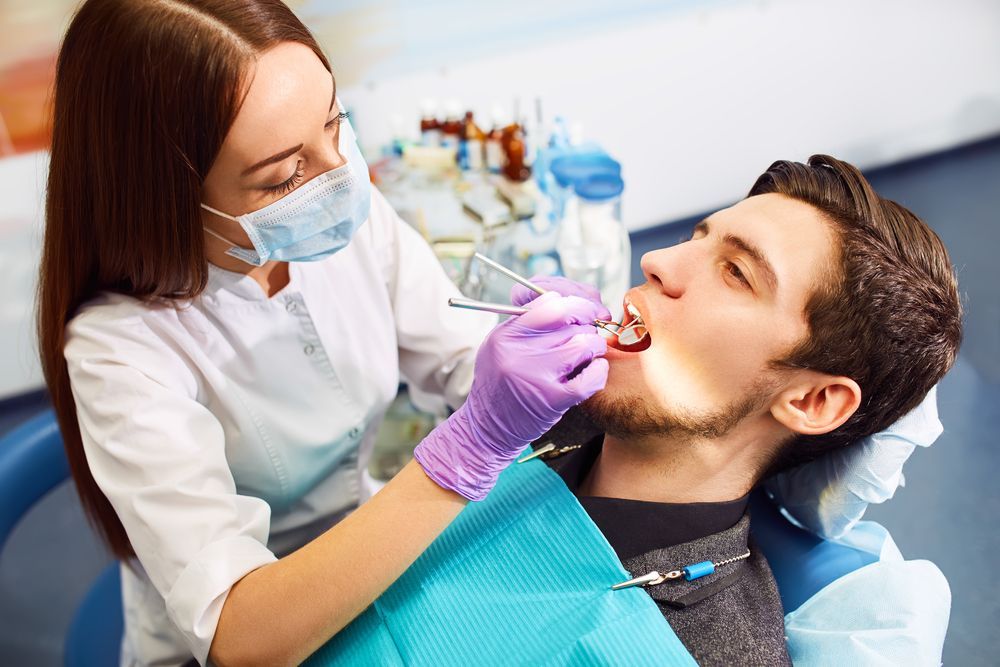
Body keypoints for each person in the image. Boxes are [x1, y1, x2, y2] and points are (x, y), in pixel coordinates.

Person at [35, 1, 609, 665]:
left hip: (374, 560)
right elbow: (241, 636)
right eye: (283, 175)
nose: (340, 176)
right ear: (164, 195)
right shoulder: (119, 350)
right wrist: (469, 446)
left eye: (336, 122)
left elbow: (459, 356)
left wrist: (537, 354)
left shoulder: (334, 209)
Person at [507, 154, 963, 664]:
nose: (656, 259)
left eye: (736, 273)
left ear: (811, 402)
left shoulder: (714, 649)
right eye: (696, 238)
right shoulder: (537, 410)